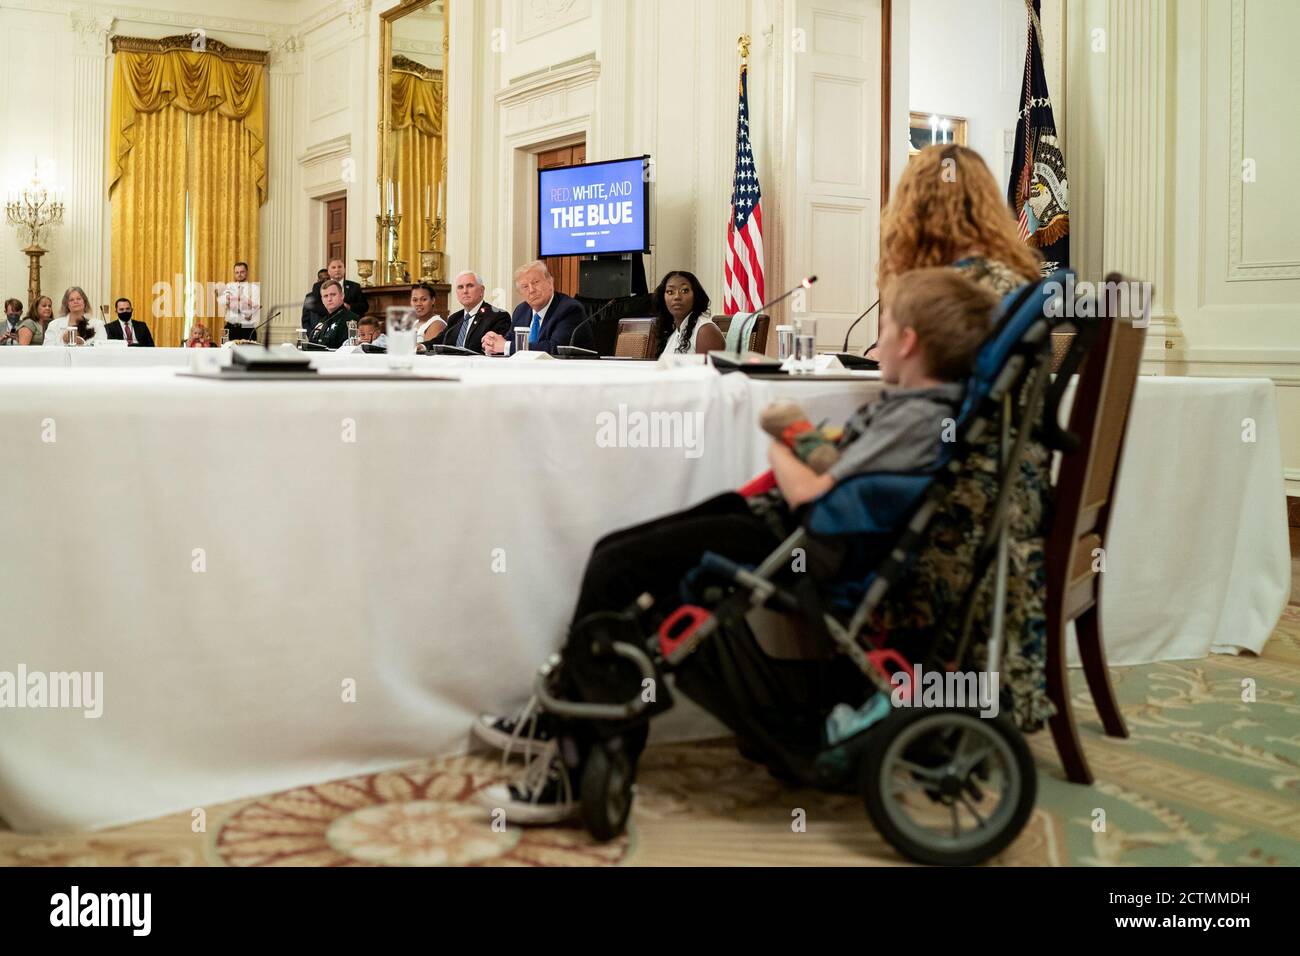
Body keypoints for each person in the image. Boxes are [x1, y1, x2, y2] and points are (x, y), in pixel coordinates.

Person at [471, 267, 1001, 822]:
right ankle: (572, 716)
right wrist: (803, 438)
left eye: (885, 325)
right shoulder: (916, 407)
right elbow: (838, 466)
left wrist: (780, 444)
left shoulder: (917, 417)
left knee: (617, 568)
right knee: (618, 559)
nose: (876, 338)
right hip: (782, 529)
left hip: (797, 538)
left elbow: (813, 493)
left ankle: (574, 761)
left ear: (909, 342)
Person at [481, 261, 590, 356]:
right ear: (521, 293)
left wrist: (506, 346)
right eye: (525, 286)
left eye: (536, 282)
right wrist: (493, 344)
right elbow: (509, 341)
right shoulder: (521, 311)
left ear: (550, 283)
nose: (531, 290)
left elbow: (555, 348)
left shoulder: (569, 309)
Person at [425, 271, 510, 353]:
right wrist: (422, 346)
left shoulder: (498, 316)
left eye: (470, 286)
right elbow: (440, 340)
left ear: (481, 290)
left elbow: (494, 348)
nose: (465, 291)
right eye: (460, 287)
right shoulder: (454, 318)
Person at [652, 271, 724, 356]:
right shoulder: (675, 331)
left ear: (696, 295)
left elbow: (708, 369)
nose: (677, 297)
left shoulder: (705, 331)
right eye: (670, 292)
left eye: (684, 291)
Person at [304, 259, 367, 330]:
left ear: (344, 269)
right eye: (333, 267)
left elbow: (364, 306)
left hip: (348, 326)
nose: (337, 270)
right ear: (328, 271)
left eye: (340, 267)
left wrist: (349, 307)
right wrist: (333, 310)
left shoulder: (354, 286)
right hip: (325, 325)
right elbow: (315, 305)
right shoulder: (318, 286)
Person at [308, 279, 356, 349]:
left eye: (333, 295)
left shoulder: (351, 319)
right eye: (325, 296)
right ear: (322, 300)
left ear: (342, 296)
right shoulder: (323, 321)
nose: (329, 299)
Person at [222, 261, 261, 341]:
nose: (239, 274)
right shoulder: (229, 286)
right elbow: (225, 303)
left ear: (246, 272)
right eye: (237, 272)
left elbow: (254, 309)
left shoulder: (254, 288)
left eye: (242, 272)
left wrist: (237, 304)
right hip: (230, 327)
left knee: (248, 352)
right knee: (226, 352)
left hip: (247, 328)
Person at [408, 283, 445, 348]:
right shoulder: (414, 323)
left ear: (433, 300)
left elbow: (428, 353)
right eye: (415, 300)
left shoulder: (437, 324)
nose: (418, 304)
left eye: (424, 299)